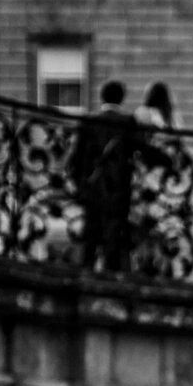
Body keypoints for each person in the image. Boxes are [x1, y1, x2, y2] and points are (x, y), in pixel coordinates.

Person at [69, 79, 140, 273]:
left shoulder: (88, 121)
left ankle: (85, 276)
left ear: (102, 97)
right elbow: (140, 150)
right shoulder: (127, 122)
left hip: (92, 189)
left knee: (90, 237)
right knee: (114, 238)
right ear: (121, 99)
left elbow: (74, 161)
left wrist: (80, 185)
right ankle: (112, 282)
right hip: (117, 190)